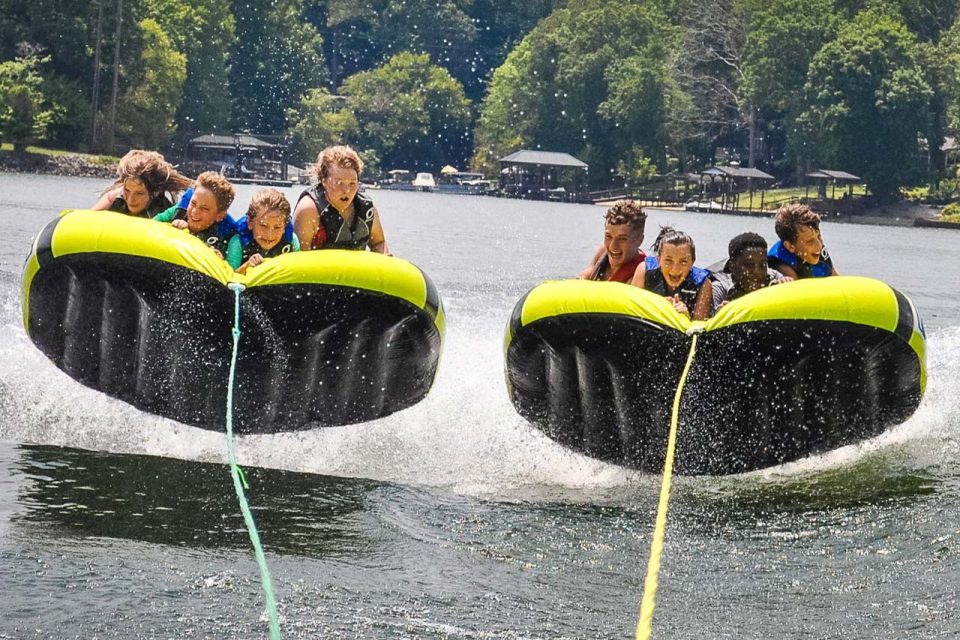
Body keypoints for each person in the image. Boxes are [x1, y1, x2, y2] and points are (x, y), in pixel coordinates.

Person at [293, 145, 389, 253]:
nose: (346, 190)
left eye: (352, 183)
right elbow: (299, 256)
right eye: (339, 183)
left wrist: (385, 255)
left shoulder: (366, 210)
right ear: (323, 180)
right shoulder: (308, 209)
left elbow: (379, 243)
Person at [633, 226, 713, 320]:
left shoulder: (703, 283)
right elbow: (631, 313)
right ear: (658, 259)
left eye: (683, 262)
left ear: (692, 262)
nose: (675, 269)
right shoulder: (644, 270)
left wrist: (685, 317)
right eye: (668, 261)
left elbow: (699, 328)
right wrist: (657, 307)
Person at [153, 171, 236, 258]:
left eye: (204, 208)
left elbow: (232, 269)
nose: (195, 211)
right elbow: (150, 224)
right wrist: (171, 227)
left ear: (220, 216)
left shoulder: (230, 235)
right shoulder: (179, 211)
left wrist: (219, 260)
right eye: (193, 203)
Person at [91, 149, 192, 218]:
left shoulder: (165, 211)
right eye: (127, 190)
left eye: (139, 193)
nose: (131, 200)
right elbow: (87, 218)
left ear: (155, 193)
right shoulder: (114, 197)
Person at [711, 232, 791, 313]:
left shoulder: (774, 279)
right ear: (732, 266)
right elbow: (707, 322)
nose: (757, 271)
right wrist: (720, 314)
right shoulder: (720, 288)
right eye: (749, 265)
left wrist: (787, 285)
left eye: (762, 265)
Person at [227, 188, 300, 273]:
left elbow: (300, 273)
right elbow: (228, 278)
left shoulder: (292, 241)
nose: (269, 234)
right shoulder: (238, 242)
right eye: (263, 225)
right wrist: (246, 266)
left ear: (284, 227)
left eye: (277, 227)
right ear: (250, 222)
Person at [578, 200, 647, 283]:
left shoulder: (642, 273)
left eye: (622, 239)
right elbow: (585, 276)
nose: (613, 246)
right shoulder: (603, 252)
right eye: (608, 236)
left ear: (639, 240)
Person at [768, 203, 838, 279]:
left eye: (819, 236)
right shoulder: (782, 265)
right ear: (790, 246)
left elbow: (836, 279)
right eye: (810, 241)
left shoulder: (818, 250)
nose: (819, 245)